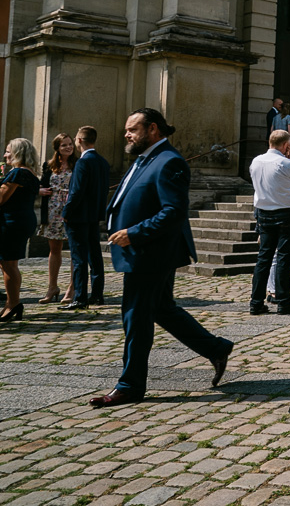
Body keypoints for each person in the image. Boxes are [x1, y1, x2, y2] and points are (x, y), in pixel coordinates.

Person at [92, 108, 233, 406]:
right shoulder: (145, 158)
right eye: (126, 130)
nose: (126, 135)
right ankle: (216, 347)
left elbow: (173, 212)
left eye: (132, 129)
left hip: (150, 253)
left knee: (135, 317)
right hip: (140, 252)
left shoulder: (170, 161)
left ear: (153, 129)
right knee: (162, 310)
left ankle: (130, 385)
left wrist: (134, 233)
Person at [248, 130, 290, 315]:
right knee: (283, 257)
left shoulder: (256, 161)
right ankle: (284, 301)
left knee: (263, 258)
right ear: (286, 145)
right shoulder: (286, 163)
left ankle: (256, 302)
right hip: (285, 214)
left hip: (264, 213)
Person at [60, 126, 111, 310]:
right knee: (95, 256)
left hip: (78, 217)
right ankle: (97, 295)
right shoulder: (102, 162)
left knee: (79, 257)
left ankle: (80, 297)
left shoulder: (83, 162)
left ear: (80, 140)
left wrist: (66, 212)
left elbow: (77, 191)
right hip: (93, 216)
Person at [0, 138, 42, 322]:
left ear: (18, 153)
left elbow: (1, 198)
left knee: (8, 263)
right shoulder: (28, 173)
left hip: (12, 223)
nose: (5, 155)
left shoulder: (18, 173)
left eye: (8, 151)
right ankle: (12, 303)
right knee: (9, 263)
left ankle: (13, 304)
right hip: (21, 221)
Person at [38, 133, 76, 304]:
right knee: (54, 248)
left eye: (70, 144)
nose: (68, 147)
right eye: (64, 145)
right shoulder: (49, 165)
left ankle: (73, 287)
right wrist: (40, 191)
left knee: (75, 248)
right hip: (53, 208)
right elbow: (40, 184)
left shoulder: (78, 164)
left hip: (72, 208)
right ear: (57, 148)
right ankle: (52, 287)